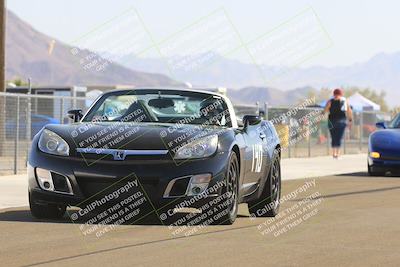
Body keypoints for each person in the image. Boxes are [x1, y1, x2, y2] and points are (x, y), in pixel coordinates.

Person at [323, 88, 353, 158]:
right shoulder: (344, 101)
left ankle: (334, 153)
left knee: (333, 136)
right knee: (339, 137)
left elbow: (325, 110)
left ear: (333, 94)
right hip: (341, 121)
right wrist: (350, 119)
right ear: (341, 94)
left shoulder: (330, 101)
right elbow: (349, 110)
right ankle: (338, 153)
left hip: (331, 121)